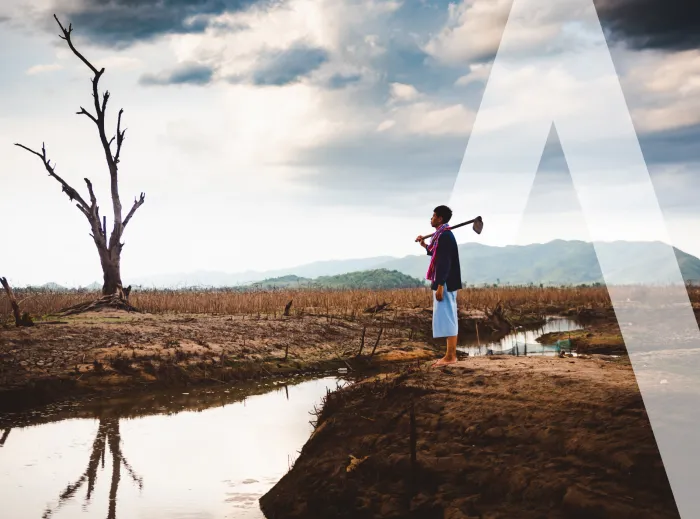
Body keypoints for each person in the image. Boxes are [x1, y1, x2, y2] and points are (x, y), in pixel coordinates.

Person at [416, 205, 462, 367]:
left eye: (433, 216)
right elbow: (435, 253)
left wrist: (441, 284)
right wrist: (423, 245)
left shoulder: (445, 236)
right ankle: (450, 355)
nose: (431, 218)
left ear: (440, 219)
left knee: (448, 316)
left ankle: (451, 356)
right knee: (446, 315)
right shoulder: (440, 236)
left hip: (446, 282)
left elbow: (444, 262)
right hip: (444, 281)